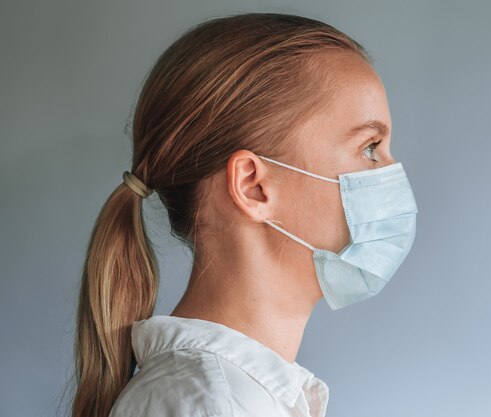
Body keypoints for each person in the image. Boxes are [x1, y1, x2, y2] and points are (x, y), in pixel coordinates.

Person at [69, 12, 418, 417]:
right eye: (370, 148)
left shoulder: (226, 395)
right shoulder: (212, 403)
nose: (393, 174)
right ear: (253, 185)